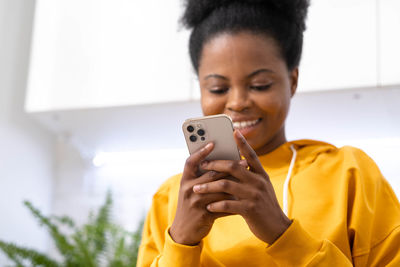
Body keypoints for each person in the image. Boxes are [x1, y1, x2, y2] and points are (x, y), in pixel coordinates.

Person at [137, 0, 400, 266]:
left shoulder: (349, 174)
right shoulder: (172, 197)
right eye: (218, 88)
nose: (238, 102)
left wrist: (281, 233)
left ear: (292, 81)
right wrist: (181, 241)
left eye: (260, 85)